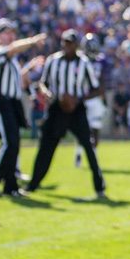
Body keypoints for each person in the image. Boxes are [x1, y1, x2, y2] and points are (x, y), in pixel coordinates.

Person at [26, 29, 106, 199]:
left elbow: (97, 88)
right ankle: (33, 184)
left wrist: (77, 99)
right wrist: (47, 93)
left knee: (88, 146)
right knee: (46, 147)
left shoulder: (84, 63)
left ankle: (99, 187)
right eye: (64, 42)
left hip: (76, 110)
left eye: (70, 43)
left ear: (77, 45)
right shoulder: (53, 61)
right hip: (56, 107)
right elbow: (43, 83)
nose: (67, 46)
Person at [0, 21, 45, 197]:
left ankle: (10, 185)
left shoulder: (11, 60)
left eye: (12, 33)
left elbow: (18, 80)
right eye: (6, 33)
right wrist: (33, 41)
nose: (10, 36)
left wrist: (29, 68)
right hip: (1, 102)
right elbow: (11, 49)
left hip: (12, 103)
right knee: (10, 143)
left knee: (14, 144)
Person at [75, 33, 107, 167]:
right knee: (91, 130)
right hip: (88, 99)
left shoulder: (98, 61)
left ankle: (81, 155)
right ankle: (86, 156)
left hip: (88, 99)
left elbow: (102, 81)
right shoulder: (80, 60)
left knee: (90, 130)